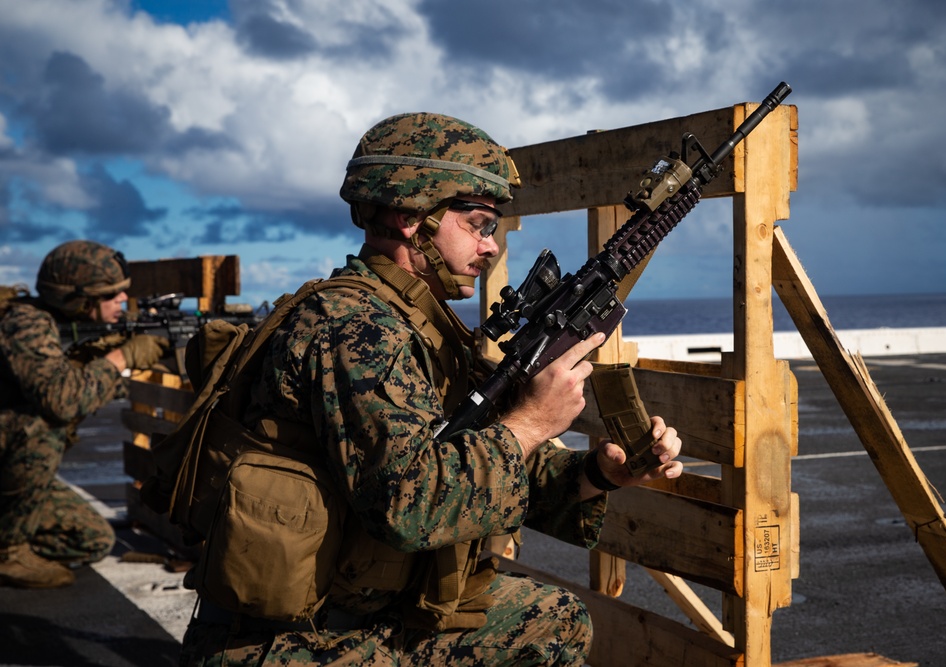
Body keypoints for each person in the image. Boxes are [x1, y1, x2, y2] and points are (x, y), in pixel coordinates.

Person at [178, 112, 683, 666]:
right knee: (550, 625)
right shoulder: (356, 329)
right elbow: (408, 504)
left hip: (359, 610)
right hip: (294, 643)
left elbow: (470, 460)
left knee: (550, 619)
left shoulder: (416, 323)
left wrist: (595, 475)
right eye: (478, 224)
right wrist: (533, 422)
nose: (490, 247)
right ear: (410, 216)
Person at [0, 240, 170, 588]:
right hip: (11, 454)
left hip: (11, 475)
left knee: (93, 540)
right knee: (42, 426)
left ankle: (13, 532)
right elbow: (61, 401)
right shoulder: (26, 323)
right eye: (110, 295)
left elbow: (87, 384)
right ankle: (8, 551)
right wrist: (122, 359)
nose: (123, 301)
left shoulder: (69, 327)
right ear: (77, 299)